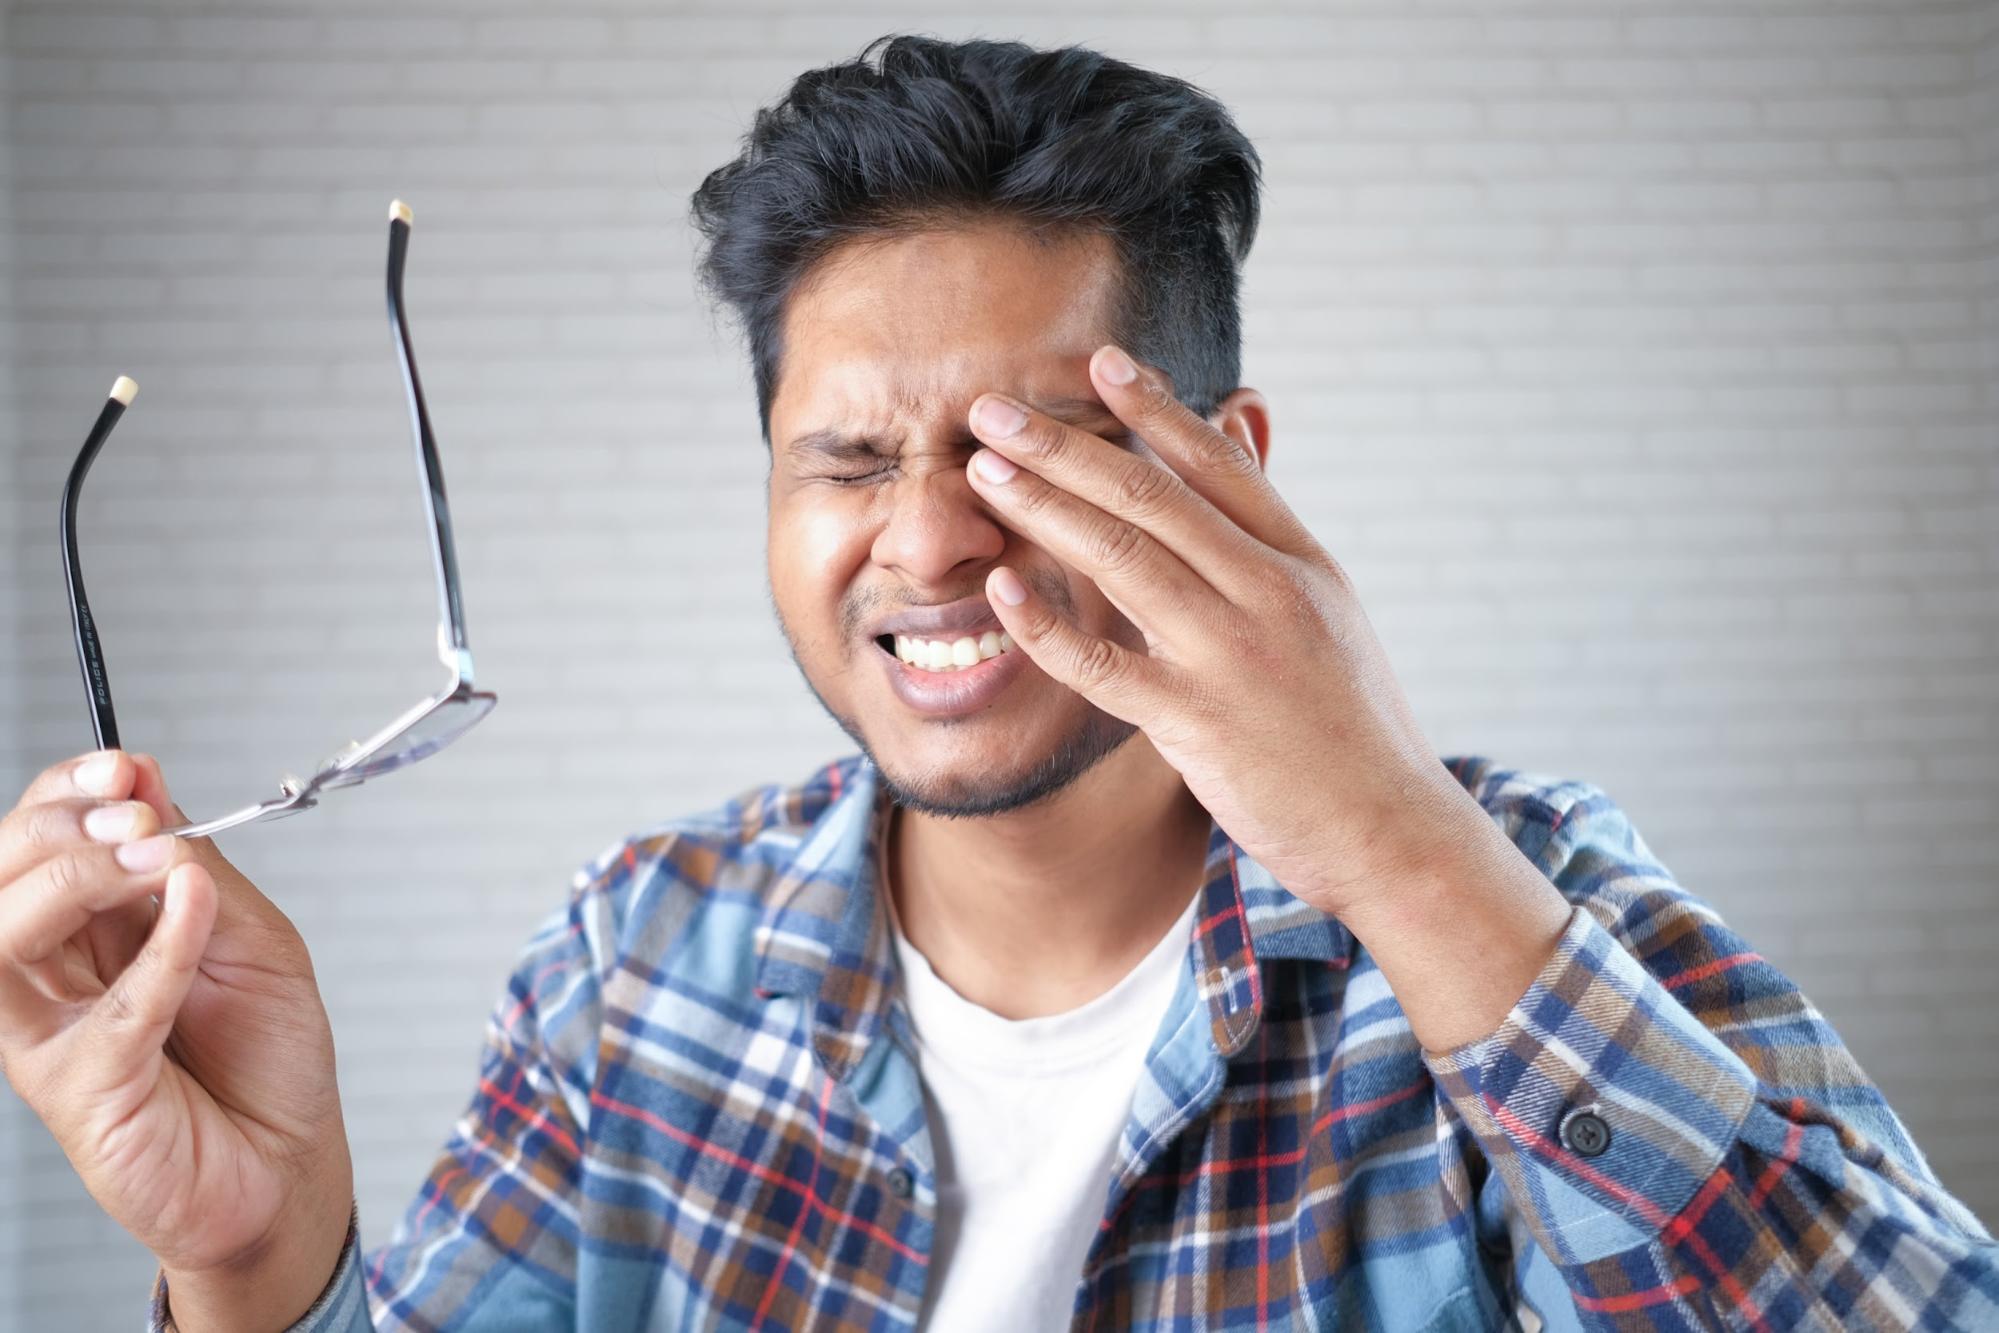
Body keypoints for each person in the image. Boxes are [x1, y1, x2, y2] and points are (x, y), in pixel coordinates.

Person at [4, 34, 1994, 1333]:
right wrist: (253, 1253)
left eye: (1030, 459)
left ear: (1229, 466)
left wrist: (1393, 840)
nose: (932, 545)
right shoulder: (641, 956)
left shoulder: (1515, 896)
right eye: (850, 463)